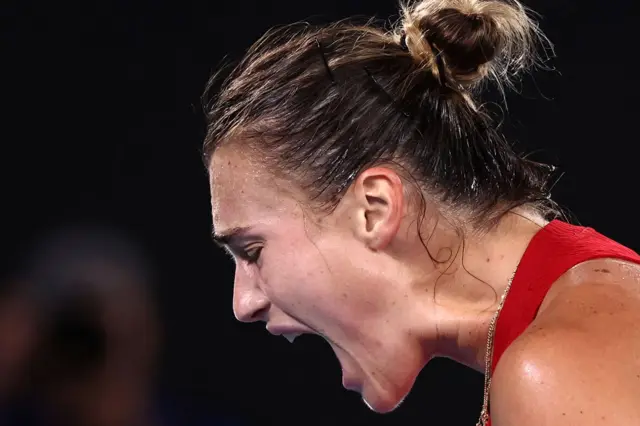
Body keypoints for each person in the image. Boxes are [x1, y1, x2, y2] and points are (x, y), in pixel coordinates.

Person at [202, 0, 640, 425]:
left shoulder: (554, 371)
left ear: (374, 209)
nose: (245, 303)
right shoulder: (583, 319)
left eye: (253, 250)